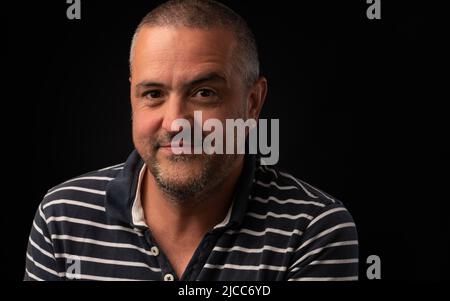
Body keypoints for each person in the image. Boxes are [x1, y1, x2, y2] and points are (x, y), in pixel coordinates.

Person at [24, 0, 358, 281]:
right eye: (153, 93)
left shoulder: (313, 230)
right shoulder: (63, 217)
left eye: (204, 93)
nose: (175, 123)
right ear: (131, 97)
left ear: (252, 103)